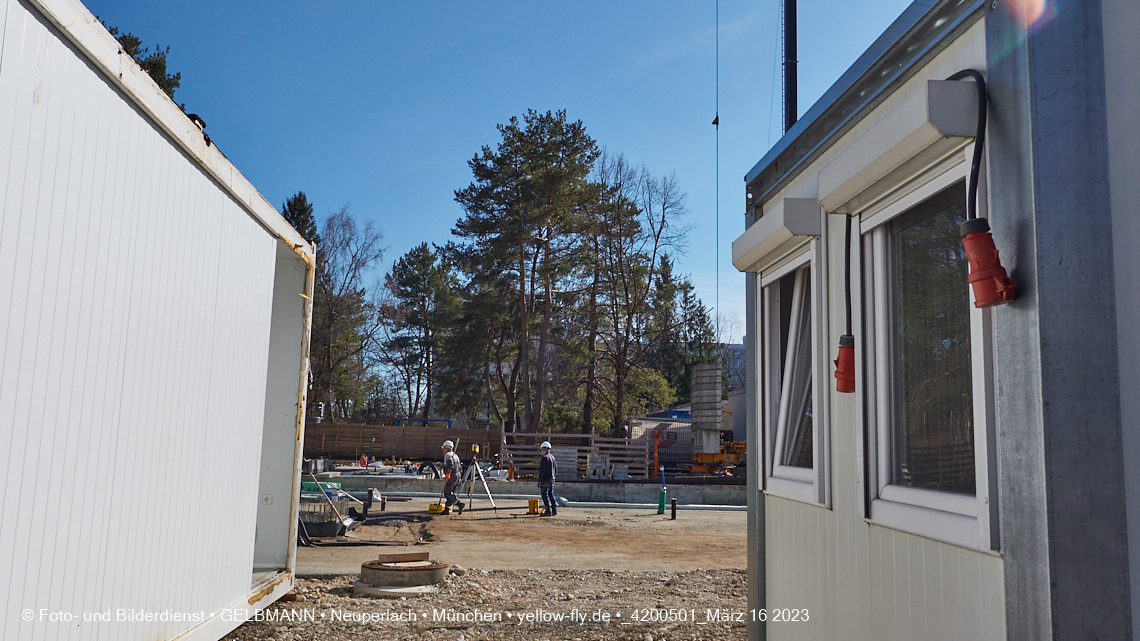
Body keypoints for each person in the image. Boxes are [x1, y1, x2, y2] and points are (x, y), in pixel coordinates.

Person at [440, 440, 464, 515]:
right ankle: (447, 509)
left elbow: (450, 465)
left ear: (446, 448)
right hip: (457, 475)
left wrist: (447, 474)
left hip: (452, 475)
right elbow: (460, 468)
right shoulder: (455, 455)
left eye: (443, 448)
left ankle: (459, 503)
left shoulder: (448, 455)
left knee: (447, 493)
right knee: (451, 493)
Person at [538, 441, 557, 517]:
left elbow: (542, 471)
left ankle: (548, 510)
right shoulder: (553, 457)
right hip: (551, 479)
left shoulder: (544, 458)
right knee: (551, 494)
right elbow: (556, 469)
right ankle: (554, 510)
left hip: (545, 480)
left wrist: (539, 481)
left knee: (544, 495)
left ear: (543, 450)